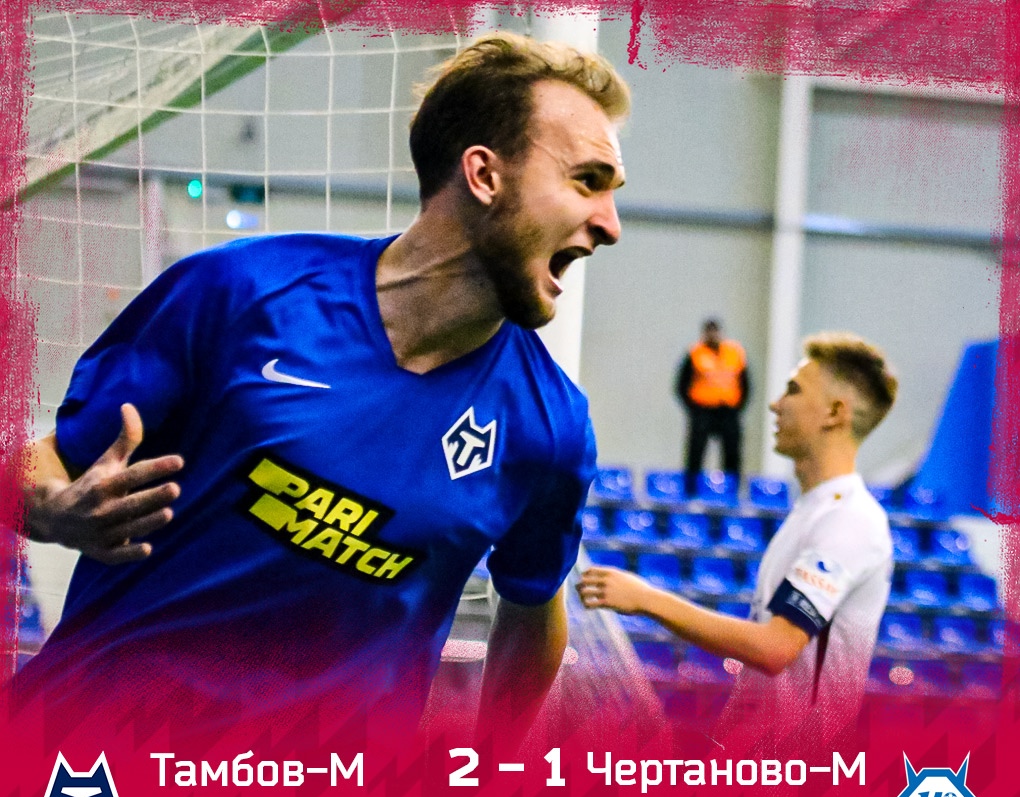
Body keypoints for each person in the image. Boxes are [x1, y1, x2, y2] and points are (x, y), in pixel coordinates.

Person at [19, 33, 630, 749]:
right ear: (484, 174)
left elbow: (533, 612)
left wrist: (486, 767)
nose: (610, 226)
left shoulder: (549, 428)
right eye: (587, 181)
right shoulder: (242, 292)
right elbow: (40, 463)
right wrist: (54, 511)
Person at [580, 333, 898, 755]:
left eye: (793, 389)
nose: (775, 404)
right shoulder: (813, 512)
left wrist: (647, 599)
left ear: (835, 412)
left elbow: (774, 649)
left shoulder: (849, 519)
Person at [675, 319, 749, 497]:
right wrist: (693, 408)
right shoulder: (695, 353)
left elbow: (745, 384)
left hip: (728, 411)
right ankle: (691, 491)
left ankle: (731, 492)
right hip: (702, 410)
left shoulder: (734, 353)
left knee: (732, 452)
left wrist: (738, 407)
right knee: (696, 451)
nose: (712, 336)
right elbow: (682, 385)